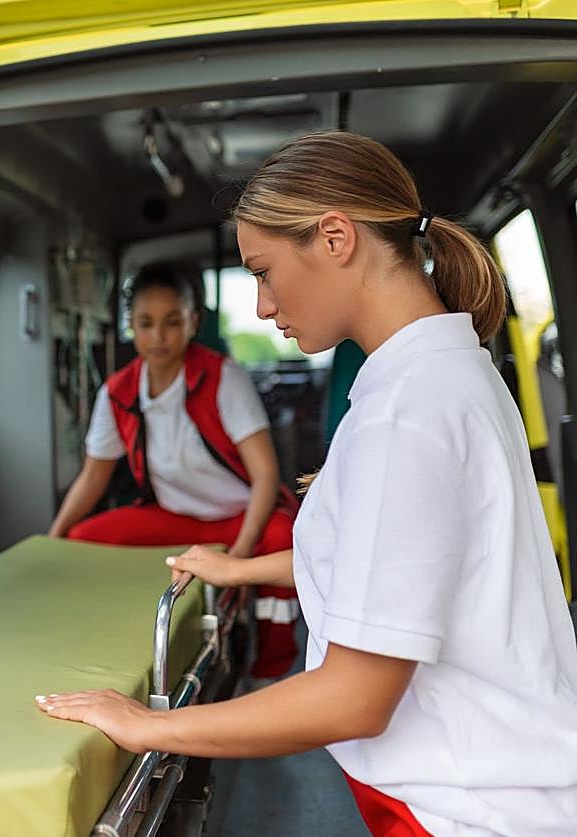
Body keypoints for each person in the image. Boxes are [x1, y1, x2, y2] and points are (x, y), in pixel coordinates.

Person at [37, 130, 577, 835]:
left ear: (334, 239)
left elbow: (353, 699)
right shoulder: (443, 371)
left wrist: (150, 724)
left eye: (263, 271)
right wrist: (240, 566)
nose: (262, 305)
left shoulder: (409, 412)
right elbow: (388, 559)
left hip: (470, 809)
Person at [47, 261, 300, 678]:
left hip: (237, 519)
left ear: (193, 322)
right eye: (146, 323)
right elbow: (94, 477)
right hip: (173, 519)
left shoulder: (223, 378)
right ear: (131, 325)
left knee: (281, 536)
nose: (159, 336)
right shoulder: (117, 391)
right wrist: (54, 539)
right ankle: (110, 636)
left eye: (172, 322)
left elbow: (265, 475)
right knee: (82, 539)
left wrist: (238, 557)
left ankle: (269, 670)